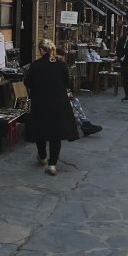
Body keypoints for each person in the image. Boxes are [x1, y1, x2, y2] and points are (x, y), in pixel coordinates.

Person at [25, 39, 79, 174]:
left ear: (42, 50)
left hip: (40, 102)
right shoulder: (61, 65)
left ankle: (42, 156)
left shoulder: (36, 65)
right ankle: (52, 164)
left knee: (40, 131)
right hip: (58, 103)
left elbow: (29, 83)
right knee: (56, 133)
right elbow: (67, 83)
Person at [56, 46, 102, 136]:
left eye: (61, 59)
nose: (60, 60)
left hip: (60, 93)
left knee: (75, 100)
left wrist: (69, 92)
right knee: (70, 105)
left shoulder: (60, 67)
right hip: (53, 95)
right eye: (58, 58)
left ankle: (85, 123)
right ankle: (83, 125)